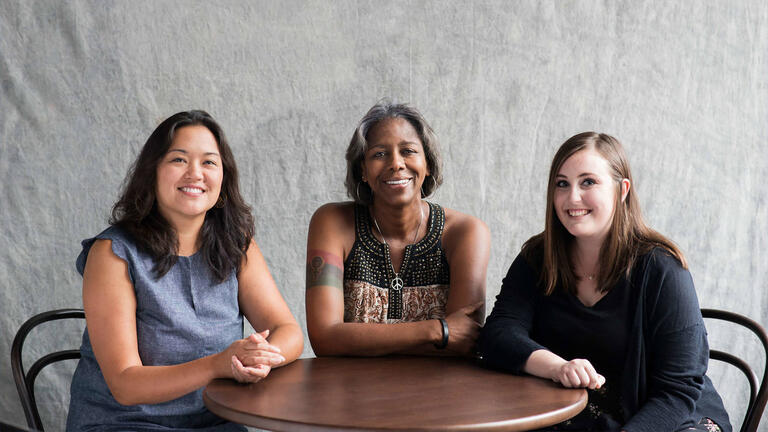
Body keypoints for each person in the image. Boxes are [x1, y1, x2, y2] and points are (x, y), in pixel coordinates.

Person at [66, 110, 303, 431]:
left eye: (209, 162)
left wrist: (259, 356)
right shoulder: (112, 252)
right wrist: (218, 365)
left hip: (216, 421)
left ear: (223, 178)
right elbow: (125, 385)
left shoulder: (237, 245)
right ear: (152, 172)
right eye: (179, 160)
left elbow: (287, 331)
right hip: (126, 422)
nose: (195, 173)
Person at [479, 132, 731, 431]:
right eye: (562, 184)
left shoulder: (663, 269)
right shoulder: (538, 257)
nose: (572, 197)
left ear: (622, 189)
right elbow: (498, 334)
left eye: (588, 182)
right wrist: (558, 367)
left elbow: (678, 393)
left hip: (668, 417)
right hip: (588, 413)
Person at [305, 101, 490, 356]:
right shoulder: (332, 223)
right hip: (351, 392)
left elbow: (464, 340)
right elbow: (324, 338)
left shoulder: (465, 233)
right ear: (363, 171)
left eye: (408, 151)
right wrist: (437, 331)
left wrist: (354, 339)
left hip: (441, 391)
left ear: (427, 163)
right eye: (379, 154)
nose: (396, 163)